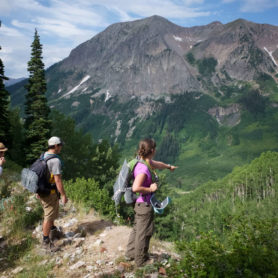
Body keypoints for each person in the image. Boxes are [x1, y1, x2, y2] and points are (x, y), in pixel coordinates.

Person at [125, 138, 177, 267]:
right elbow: (136, 187)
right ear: (153, 150)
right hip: (144, 205)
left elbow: (156, 164)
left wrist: (168, 167)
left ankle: (131, 253)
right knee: (144, 232)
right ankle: (141, 261)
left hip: (139, 203)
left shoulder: (142, 160)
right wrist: (150, 189)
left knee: (137, 229)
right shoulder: (143, 169)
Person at [39, 136, 68, 251]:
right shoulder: (55, 161)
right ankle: (46, 242)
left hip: (42, 190)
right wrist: (63, 195)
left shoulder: (44, 156)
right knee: (49, 216)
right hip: (49, 193)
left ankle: (53, 232)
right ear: (55, 146)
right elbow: (58, 180)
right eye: (60, 145)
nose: (61, 147)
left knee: (51, 214)